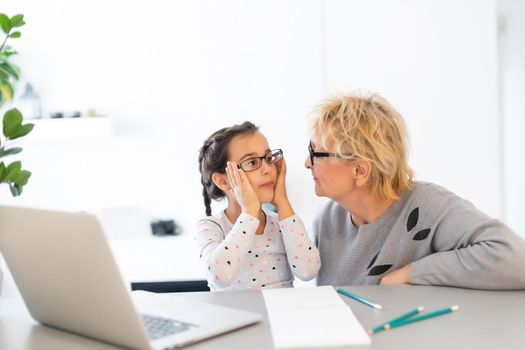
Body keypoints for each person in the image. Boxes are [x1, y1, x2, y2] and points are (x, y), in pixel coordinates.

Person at [305, 92, 525, 289]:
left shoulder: (427, 206)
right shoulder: (326, 220)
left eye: (316, 153)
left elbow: (516, 259)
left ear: (360, 170)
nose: (307, 162)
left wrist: (411, 274)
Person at [196, 121, 320, 291]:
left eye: (268, 158)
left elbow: (308, 271)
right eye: (253, 162)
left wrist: (282, 202)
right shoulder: (211, 227)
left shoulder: (282, 222)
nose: (268, 169)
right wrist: (250, 212)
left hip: (281, 315)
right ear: (223, 181)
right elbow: (219, 276)